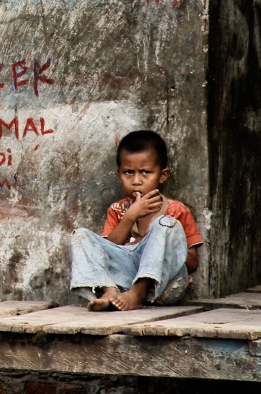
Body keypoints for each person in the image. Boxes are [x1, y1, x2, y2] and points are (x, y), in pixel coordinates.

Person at [69, 130, 203, 311]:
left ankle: (138, 293)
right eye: (128, 172)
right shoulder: (117, 210)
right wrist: (130, 216)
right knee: (80, 236)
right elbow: (106, 250)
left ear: (162, 175)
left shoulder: (176, 210)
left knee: (166, 224)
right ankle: (110, 292)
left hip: (162, 287)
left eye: (146, 172)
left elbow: (193, 263)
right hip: (123, 284)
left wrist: (159, 246)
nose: (136, 181)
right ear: (119, 174)